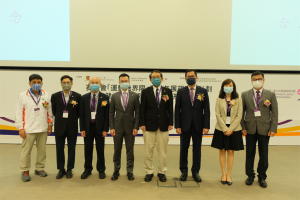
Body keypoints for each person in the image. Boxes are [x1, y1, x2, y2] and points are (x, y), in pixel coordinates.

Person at [241, 71, 278, 188]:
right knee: (249, 153)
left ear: (263, 80)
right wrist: (243, 127)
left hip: (265, 129)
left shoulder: (270, 94)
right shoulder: (245, 94)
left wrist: (273, 128)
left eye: (259, 79)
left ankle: (262, 177)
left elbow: (274, 113)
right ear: (251, 81)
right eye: (255, 79)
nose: (257, 81)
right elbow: (241, 113)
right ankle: (250, 175)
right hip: (250, 128)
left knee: (264, 154)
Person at [15, 74, 53, 182]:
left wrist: (50, 124)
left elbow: (49, 111)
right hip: (29, 129)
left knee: (42, 150)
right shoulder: (23, 95)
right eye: (34, 82)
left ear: (42, 83)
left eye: (38, 82)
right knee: (26, 151)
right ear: (29, 83)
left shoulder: (46, 95)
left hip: (42, 127)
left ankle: (39, 168)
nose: (36, 84)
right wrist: (21, 128)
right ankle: (25, 170)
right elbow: (18, 113)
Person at [175, 69, 210, 182]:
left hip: (198, 125)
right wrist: (178, 126)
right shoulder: (181, 91)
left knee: (197, 149)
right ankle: (184, 171)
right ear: (185, 79)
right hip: (184, 125)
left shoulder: (203, 91)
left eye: (193, 76)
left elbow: (206, 110)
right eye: (188, 76)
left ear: (197, 77)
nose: (191, 78)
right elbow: (177, 110)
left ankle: (195, 172)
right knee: (183, 149)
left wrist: (206, 126)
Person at [140, 70, 173, 182]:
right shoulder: (145, 92)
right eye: (153, 77)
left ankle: (161, 171)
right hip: (148, 125)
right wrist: (142, 123)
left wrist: (170, 123)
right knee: (148, 151)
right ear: (150, 80)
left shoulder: (167, 91)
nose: (156, 79)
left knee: (162, 151)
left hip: (163, 125)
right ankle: (149, 171)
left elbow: (170, 109)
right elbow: (142, 109)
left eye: (158, 77)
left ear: (162, 78)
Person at [211, 79, 244, 186]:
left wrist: (231, 129)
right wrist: (225, 129)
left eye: (230, 85)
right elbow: (217, 115)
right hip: (221, 128)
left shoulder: (238, 99)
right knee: (222, 151)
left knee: (230, 152)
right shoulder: (219, 99)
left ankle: (229, 174)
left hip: (234, 129)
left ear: (233, 87)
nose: (228, 87)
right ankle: (223, 174)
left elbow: (239, 115)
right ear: (222, 87)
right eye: (226, 85)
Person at [109, 73, 140, 181]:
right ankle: (116, 170)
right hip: (117, 127)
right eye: (122, 81)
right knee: (117, 150)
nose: (124, 83)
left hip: (130, 127)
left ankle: (130, 171)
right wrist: (111, 127)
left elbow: (138, 112)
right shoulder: (114, 96)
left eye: (126, 81)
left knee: (130, 151)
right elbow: (111, 112)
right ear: (119, 83)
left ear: (129, 82)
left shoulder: (135, 96)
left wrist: (136, 127)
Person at [51, 75, 81, 179]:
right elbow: (54, 111)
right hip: (59, 126)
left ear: (72, 84)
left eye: (68, 82)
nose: (66, 84)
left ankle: (69, 169)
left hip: (72, 126)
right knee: (59, 149)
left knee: (71, 149)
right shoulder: (55, 96)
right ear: (61, 84)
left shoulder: (77, 96)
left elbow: (78, 113)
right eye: (64, 82)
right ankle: (61, 169)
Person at [79, 77, 109, 179]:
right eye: (92, 82)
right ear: (89, 84)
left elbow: (107, 115)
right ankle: (87, 169)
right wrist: (82, 128)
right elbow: (81, 114)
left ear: (100, 85)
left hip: (100, 128)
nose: (94, 84)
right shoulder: (84, 98)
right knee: (88, 150)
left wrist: (105, 129)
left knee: (100, 150)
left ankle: (101, 169)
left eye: (97, 83)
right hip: (88, 127)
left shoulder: (105, 97)